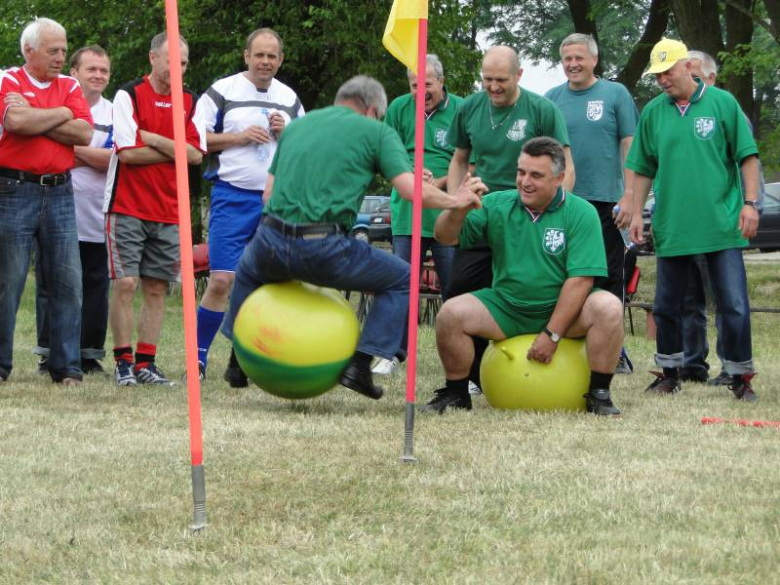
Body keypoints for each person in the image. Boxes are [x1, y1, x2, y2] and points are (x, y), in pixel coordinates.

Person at [220, 75, 485, 400]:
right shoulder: (376, 132)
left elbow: (268, 194)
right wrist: (454, 200)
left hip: (270, 239)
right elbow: (409, 190)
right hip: (323, 246)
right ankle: (360, 365)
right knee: (403, 278)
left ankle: (238, 358)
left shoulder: (297, 127)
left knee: (249, 271)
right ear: (372, 109)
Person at [424, 137, 622, 415]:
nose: (524, 181)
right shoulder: (495, 204)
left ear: (559, 178)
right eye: (521, 172)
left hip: (564, 310)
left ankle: (599, 394)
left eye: (536, 175)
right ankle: (457, 393)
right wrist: (457, 208)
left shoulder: (582, 212)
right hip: (507, 307)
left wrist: (552, 335)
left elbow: (581, 281)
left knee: (608, 306)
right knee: (450, 314)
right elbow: (444, 237)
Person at [627, 39, 761, 401]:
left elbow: (747, 157)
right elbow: (641, 168)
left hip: (722, 225)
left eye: (668, 72)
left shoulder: (723, 103)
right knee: (667, 305)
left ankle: (739, 376)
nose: (662, 81)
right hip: (673, 226)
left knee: (733, 305)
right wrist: (638, 213)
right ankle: (669, 372)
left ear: (688, 66)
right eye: (657, 76)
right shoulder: (654, 112)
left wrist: (750, 203)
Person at [439, 45, 574, 395]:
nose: (493, 87)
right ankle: (468, 378)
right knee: (460, 289)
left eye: (501, 80)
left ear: (519, 75)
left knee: (531, 288)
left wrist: (558, 210)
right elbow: (459, 159)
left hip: (531, 214)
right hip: (485, 213)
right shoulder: (468, 107)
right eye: (487, 80)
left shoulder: (542, 109)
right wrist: (457, 199)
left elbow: (565, 165)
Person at [193, 28, 304, 386]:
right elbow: (195, 140)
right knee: (223, 278)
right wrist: (239, 137)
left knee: (265, 286)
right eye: (259, 55)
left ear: (280, 60)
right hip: (231, 195)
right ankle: (197, 358)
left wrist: (287, 133)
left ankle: (241, 361)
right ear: (246, 56)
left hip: (276, 201)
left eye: (272, 56)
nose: (265, 62)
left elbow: (306, 149)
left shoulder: (289, 98)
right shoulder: (222, 90)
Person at [104, 33, 206, 386]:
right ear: (152, 58)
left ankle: (146, 362)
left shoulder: (191, 101)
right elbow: (128, 153)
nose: (178, 69)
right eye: (171, 61)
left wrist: (154, 138)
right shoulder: (129, 95)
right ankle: (123, 362)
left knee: (157, 287)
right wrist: (176, 147)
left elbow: (195, 156)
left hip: (169, 209)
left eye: (183, 63)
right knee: (127, 283)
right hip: (127, 205)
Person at [0, 17, 93, 386]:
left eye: (64, 50)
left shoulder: (70, 84)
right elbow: (14, 122)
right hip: (13, 190)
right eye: (53, 50)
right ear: (29, 50)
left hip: (60, 191)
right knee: (8, 281)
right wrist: (63, 115)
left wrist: (35, 115)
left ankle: (67, 367)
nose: (60, 57)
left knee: (68, 281)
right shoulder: (7, 79)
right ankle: (1, 366)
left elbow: (84, 132)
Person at [545, 33, 639, 374]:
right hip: (563, 204)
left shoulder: (615, 94)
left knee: (609, 276)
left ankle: (614, 352)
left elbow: (631, 145)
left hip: (606, 203)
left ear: (594, 59)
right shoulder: (552, 98)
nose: (572, 64)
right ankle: (565, 342)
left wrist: (629, 196)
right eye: (567, 58)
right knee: (563, 277)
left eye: (579, 58)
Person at [372, 54, 464, 376]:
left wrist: (438, 183)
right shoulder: (398, 109)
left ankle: (460, 362)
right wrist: (411, 176)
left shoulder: (461, 109)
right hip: (406, 212)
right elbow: (385, 153)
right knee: (401, 285)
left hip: (446, 215)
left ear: (440, 81)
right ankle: (392, 354)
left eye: (426, 84)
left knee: (454, 289)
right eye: (414, 85)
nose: (420, 91)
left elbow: (468, 159)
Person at [679, 50, 767, 386]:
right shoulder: (674, 112)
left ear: (712, 78)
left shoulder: (729, 111)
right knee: (688, 301)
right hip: (684, 225)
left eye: (697, 76)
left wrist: (750, 206)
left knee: (727, 301)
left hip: (720, 224)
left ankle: (732, 368)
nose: (691, 81)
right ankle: (692, 364)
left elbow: (750, 164)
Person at [34, 45, 114, 376]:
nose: (98, 75)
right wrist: (87, 154)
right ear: (75, 72)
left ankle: (89, 353)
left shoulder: (113, 113)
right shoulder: (56, 102)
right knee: (52, 283)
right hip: (53, 207)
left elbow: (113, 160)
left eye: (104, 70)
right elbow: (39, 147)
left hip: (100, 211)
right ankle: (49, 353)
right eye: (91, 69)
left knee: (95, 283)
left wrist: (69, 150)